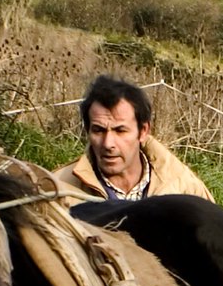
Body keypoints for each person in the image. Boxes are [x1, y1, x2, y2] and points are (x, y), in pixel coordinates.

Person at [52, 74, 213, 202]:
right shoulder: (57, 190)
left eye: (120, 131)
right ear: (87, 130)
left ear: (143, 131)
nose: (108, 144)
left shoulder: (183, 187)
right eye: (98, 130)